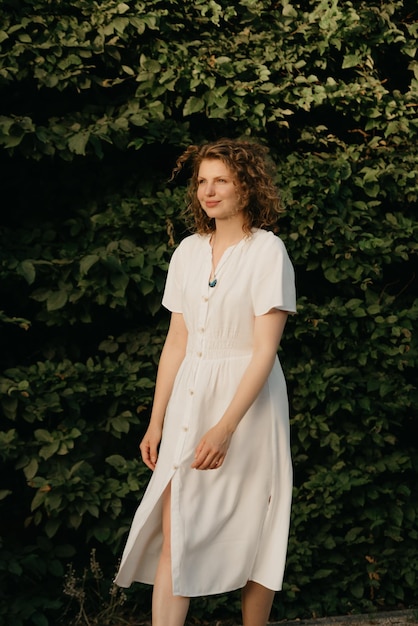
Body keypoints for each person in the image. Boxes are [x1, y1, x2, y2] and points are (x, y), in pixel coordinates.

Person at [114, 138, 297, 626]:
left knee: (258, 525)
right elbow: (176, 342)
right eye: (201, 182)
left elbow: (264, 349)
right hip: (189, 401)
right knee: (177, 527)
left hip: (249, 406)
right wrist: (157, 422)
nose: (208, 191)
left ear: (247, 187)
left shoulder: (268, 252)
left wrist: (225, 427)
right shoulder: (187, 253)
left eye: (221, 180)